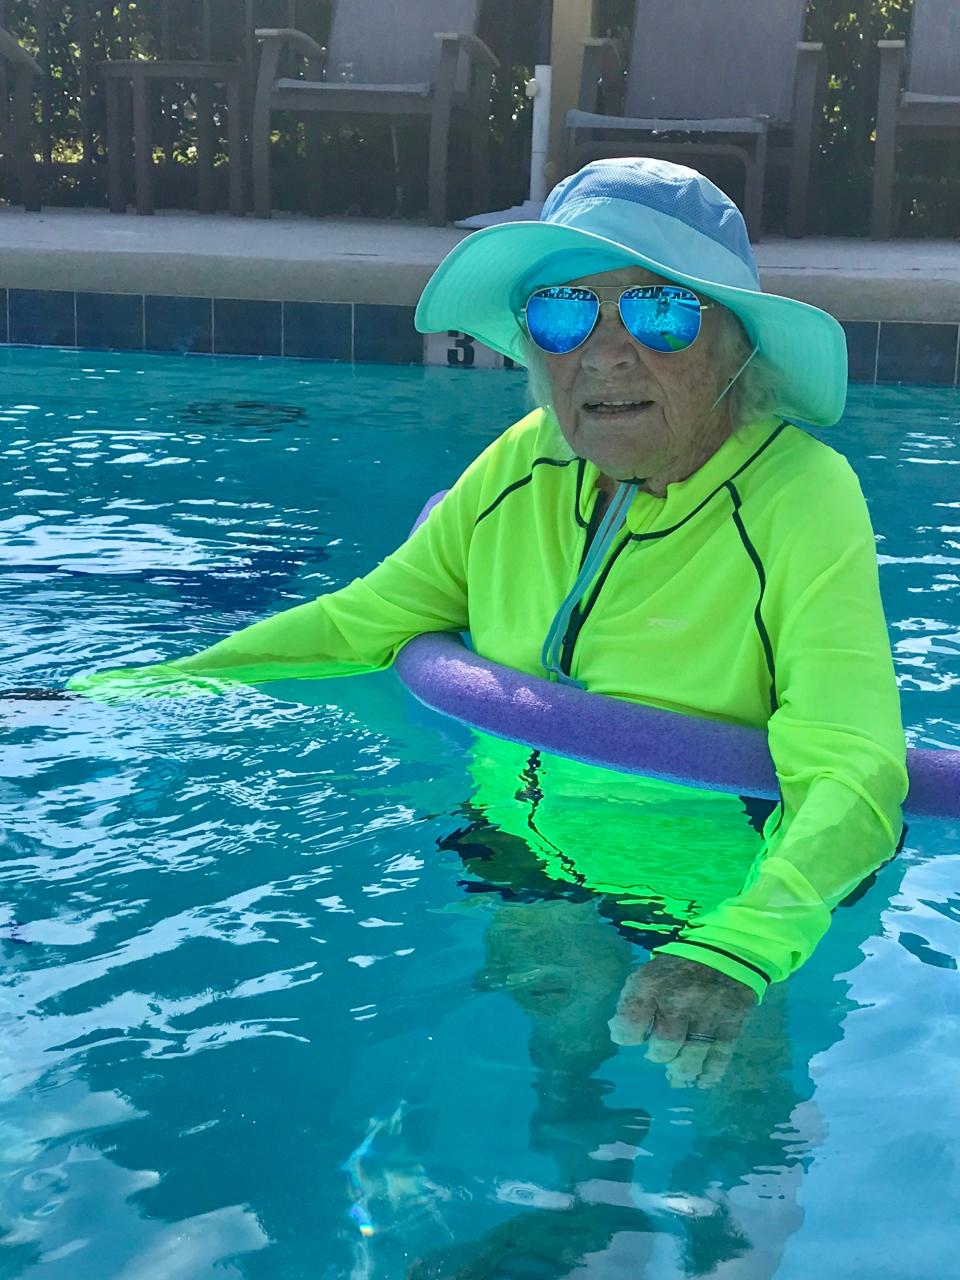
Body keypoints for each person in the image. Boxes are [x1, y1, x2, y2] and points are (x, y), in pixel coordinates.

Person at [71, 157, 907, 1094]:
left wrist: (743, 944)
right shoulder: (523, 462)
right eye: (562, 313)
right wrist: (118, 691)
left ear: (734, 349)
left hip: (718, 877)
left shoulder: (801, 496)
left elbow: (852, 762)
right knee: (558, 1077)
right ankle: (576, 1215)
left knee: (736, 1115)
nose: (604, 353)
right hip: (522, 837)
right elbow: (361, 621)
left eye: (659, 313)